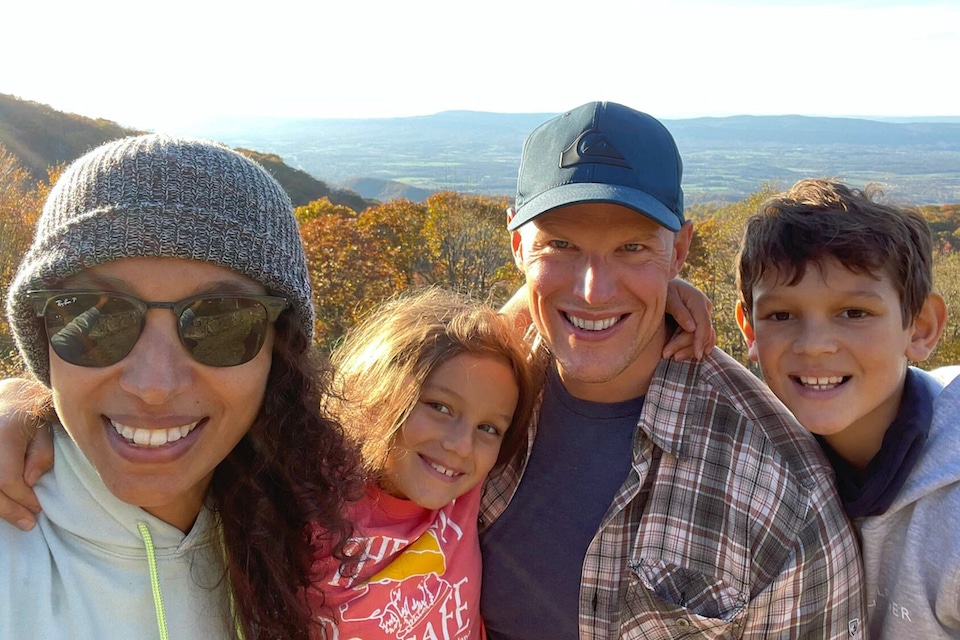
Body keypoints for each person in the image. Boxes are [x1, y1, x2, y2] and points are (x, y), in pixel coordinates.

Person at [477, 101, 866, 638]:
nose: (594, 291)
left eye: (632, 248)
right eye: (561, 245)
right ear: (519, 248)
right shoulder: (469, 392)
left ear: (679, 249)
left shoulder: (780, 492)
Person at [0, 134, 362, 639]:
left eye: (221, 323)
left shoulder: (316, 517)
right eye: (95, 318)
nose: (154, 385)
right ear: (41, 338)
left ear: (278, 355)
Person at [734, 178, 959, 638]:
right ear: (749, 329)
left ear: (920, 327)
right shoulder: (750, 460)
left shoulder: (951, 519)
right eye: (781, 315)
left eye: (854, 313)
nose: (814, 346)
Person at [306, 287, 535, 639]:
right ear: (381, 390)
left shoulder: (464, 491)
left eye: (488, 428)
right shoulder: (309, 502)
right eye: (440, 407)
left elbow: (544, 295)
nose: (461, 445)